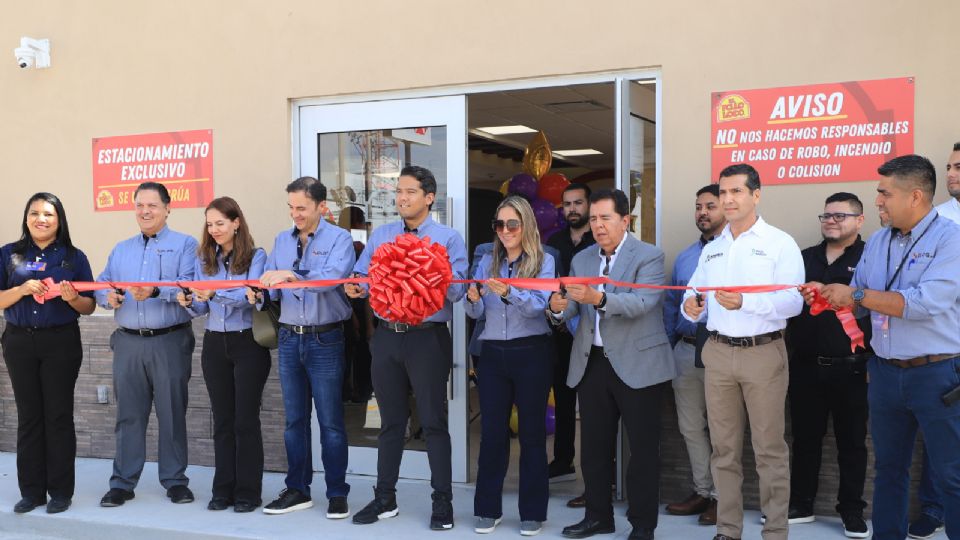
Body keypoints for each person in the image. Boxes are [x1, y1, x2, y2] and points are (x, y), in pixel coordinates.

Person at [807, 154, 960, 540]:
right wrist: (831, 296)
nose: (877, 201)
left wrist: (856, 292)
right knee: (888, 471)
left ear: (916, 196)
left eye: (884, 193)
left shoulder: (952, 240)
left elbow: (924, 303)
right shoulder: (878, 240)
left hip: (937, 374)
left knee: (953, 475)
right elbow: (862, 301)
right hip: (886, 373)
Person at [682, 163, 804, 540]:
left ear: (756, 195)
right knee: (724, 450)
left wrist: (746, 305)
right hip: (717, 354)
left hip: (762, 353)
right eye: (723, 192)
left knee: (768, 449)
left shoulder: (779, 243)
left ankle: (775, 531)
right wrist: (691, 305)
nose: (728, 199)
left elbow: (793, 303)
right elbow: (693, 290)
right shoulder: (713, 250)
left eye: (736, 191)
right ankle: (728, 529)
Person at [345, 165, 468, 530]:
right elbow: (361, 276)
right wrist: (356, 286)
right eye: (398, 191)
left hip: (427, 337)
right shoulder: (381, 235)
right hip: (386, 336)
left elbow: (459, 289)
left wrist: (428, 270)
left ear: (428, 197)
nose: (402, 198)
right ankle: (385, 499)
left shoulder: (447, 238)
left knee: (433, 422)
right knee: (390, 423)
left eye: (410, 192)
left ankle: (442, 502)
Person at [550, 188, 675, 540]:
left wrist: (599, 297)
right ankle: (598, 516)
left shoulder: (649, 256)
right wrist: (557, 308)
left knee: (643, 452)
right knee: (593, 450)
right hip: (593, 364)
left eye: (606, 218)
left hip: (640, 364)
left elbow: (642, 304)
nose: (598, 225)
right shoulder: (582, 260)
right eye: (593, 219)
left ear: (625, 220)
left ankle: (642, 526)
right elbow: (573, 308)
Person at [246, 177, 356, 518]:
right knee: (294, 421)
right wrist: (260, 292)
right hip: (290, 337)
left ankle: (337, 492)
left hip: (325, 338)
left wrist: (291, 276)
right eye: (291, 207)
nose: (295, 214)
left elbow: (330, 279)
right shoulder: (281, 240)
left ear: (321, 207)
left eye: (302, 208)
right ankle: (298, 489)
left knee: (331, 423)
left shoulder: (340, 239)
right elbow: (271, 286)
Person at [96, 182, 199, 507]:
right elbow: (100, 284)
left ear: (168, 208)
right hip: (127, 343)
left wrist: (156, 291)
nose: (145, 211)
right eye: (140, 205)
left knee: (172, 414)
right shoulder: (121, 248)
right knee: (128, 416)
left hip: (169, 341)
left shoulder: (185, 245)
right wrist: (106, 297)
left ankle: (175, 481)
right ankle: (123, 482)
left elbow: (189, 288)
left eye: (152, 205)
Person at [465, 196, 556, 536]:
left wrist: (508, 293)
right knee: (492, 434)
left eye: (512, 224)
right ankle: (487, 508)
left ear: (526, 225)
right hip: (491, 354)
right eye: (499, 225)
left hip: (531, 351)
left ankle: (532, 512)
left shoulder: (544, 261)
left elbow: (539, 307)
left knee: (532, 435)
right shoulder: (486, 260)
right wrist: (473, 300)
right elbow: (476, 314)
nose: (505, 231)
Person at [0, 193, 96, 514]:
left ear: (59, 220)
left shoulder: (73, 257)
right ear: (26, 217)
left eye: (48, 214)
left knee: (57, 416)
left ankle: (60, 492)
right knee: (29, 418)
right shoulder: (9, 255)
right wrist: (21, 290)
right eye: (34, 213)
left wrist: (71, 298)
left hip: (60, 343)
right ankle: (31, 492)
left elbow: (89, 306)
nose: (40, 219)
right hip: (19, 342)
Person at [175, 197, 271, 513]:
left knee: (246, 421)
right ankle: (223, 490)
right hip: (215, 343)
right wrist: (189, 301)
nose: (214, 229)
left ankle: (248, 492)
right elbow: (203, 307)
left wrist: (215, 293)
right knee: (223, 422)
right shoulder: (204, 259)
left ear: (236, 222)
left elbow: (248, 298)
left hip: (248, 344)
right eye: (210, 223)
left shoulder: (256, 257)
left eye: (220, 223)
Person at [785, 193, 871, 538]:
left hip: (853, 367)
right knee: (805, 438)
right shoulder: (803, 258)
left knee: (852, 443)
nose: (832, 221)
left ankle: (851, 511)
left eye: (841, 215)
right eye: (827, 215)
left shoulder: (870, 258)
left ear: (859, 220)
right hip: (805, 365)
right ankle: (801, 504)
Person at [663, 184, 725, 526]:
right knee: (690, 428)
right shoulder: (686, 257)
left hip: (721, 349)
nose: (703, 212)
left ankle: (722, 498)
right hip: (686, 352)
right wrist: (669, 346)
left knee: (723, 431)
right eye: (698, 206)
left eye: (710, 206)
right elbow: (673, 307)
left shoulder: (738, 252)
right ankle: (703, 491)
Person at [909, 142, 960, 540]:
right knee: (941, 434)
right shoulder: (936, 220)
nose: (952, 174)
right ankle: (934, 508)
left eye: (958, 166)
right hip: (945, 343)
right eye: (949, 166)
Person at [545, 183, 595, 491]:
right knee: (563, 399)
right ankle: (563, 461)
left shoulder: (598, 240)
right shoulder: (555, 241)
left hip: (592, 331)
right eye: (567, 204)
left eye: (578, 202)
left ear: (589, 205)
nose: (572, 208)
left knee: (592, 404)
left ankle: (601, 471)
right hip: (560, 332)